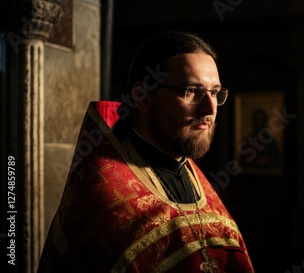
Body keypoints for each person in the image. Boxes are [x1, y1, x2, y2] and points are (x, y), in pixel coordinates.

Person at [37, 30, 254, 273]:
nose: (209, 109)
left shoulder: (192, 176)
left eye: (214, 93)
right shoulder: (106, 201)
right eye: (192, 91)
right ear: (142, 96)